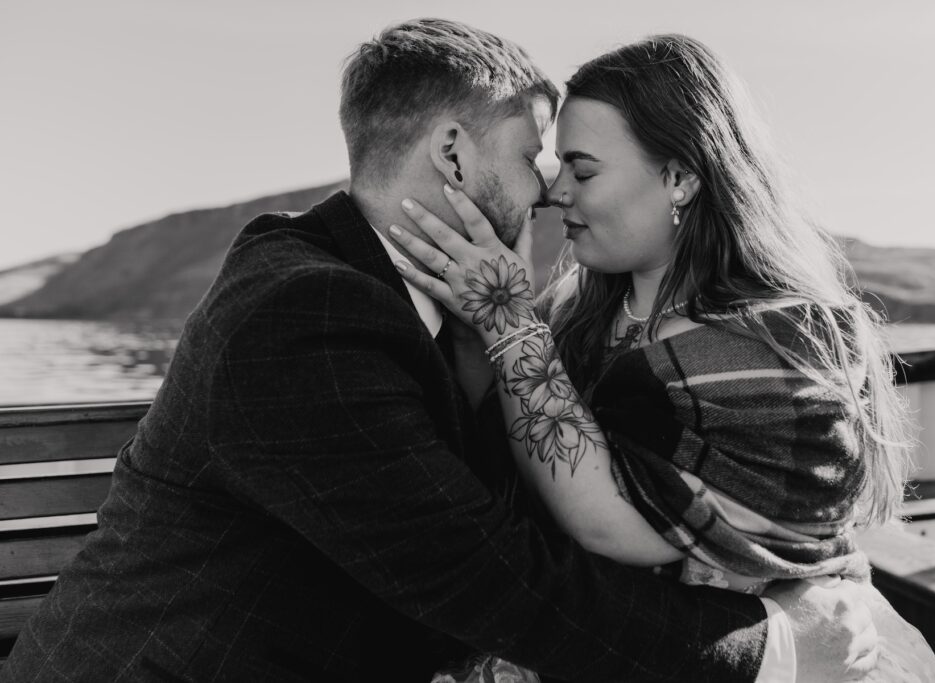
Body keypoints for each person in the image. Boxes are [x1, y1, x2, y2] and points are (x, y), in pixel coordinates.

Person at [1, 21, 876, 682]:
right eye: (534, 156)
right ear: (455, 154)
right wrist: (773, 651)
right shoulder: (304, 314)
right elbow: (490, 576)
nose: (547, 192)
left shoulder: (397, 297)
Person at [391, 34, 935, 682]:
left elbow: (610, 524)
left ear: (680, 176)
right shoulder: (577, 313)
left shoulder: (780, 342)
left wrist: (506, 318)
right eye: (556, 166)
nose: (554, 192)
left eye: (583, 169)